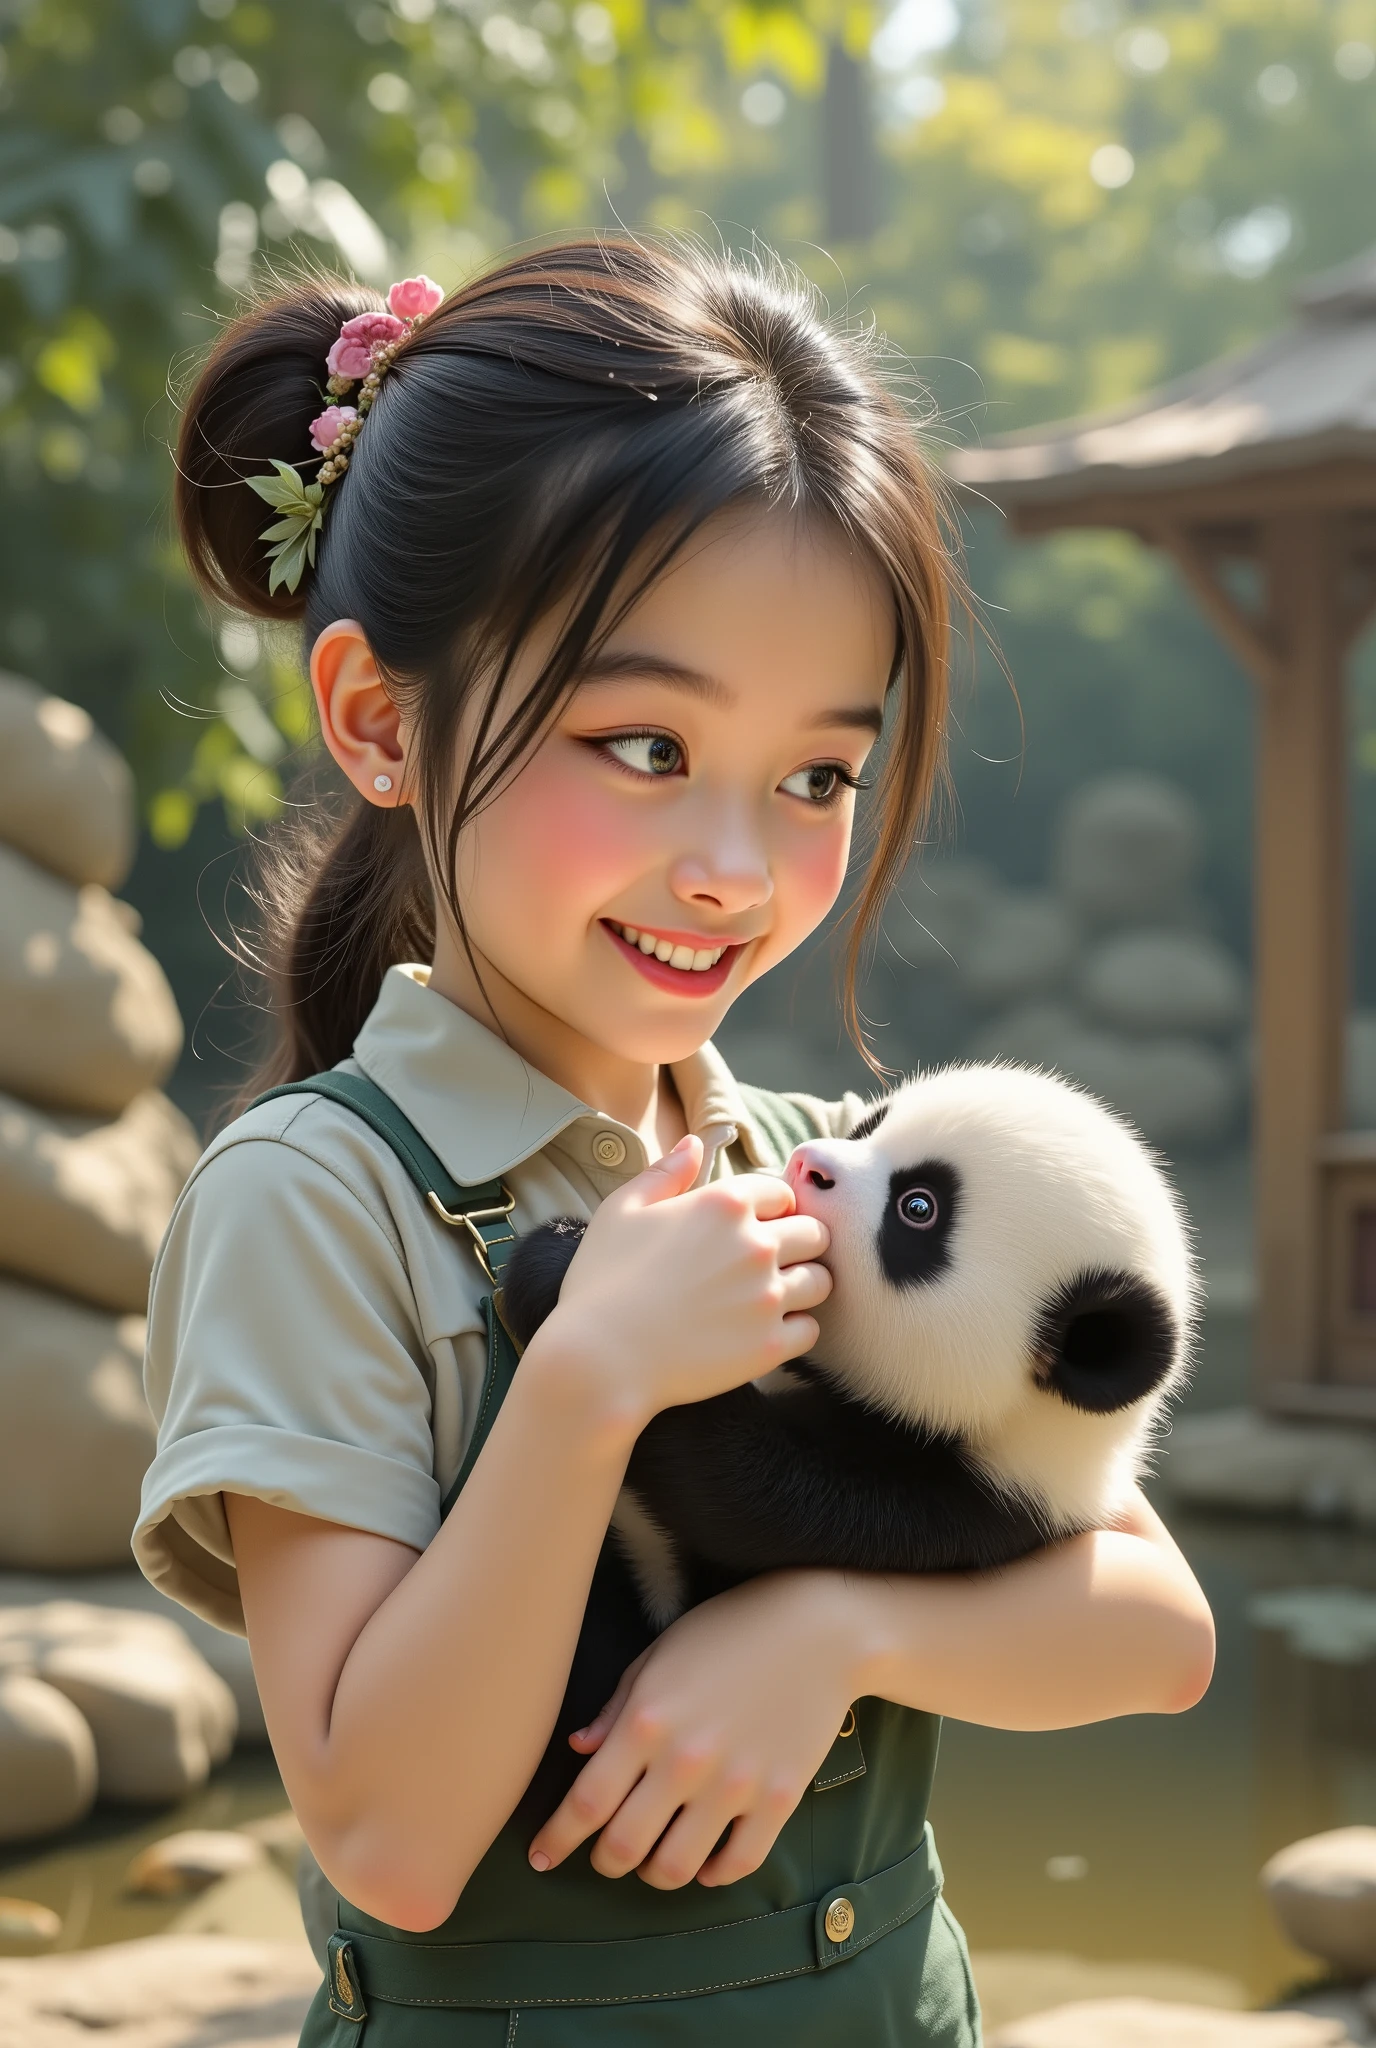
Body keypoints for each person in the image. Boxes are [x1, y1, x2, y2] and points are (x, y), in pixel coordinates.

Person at [135, 240, 1214, 2046]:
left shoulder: (825, 1165)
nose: (735, 864)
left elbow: (1155, 1624)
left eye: (815, 777)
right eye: (645, 744)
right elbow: (388, 1833)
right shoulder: (316, 1202)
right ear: (382, 720)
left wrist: (828, 1637)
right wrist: (584, 1388)